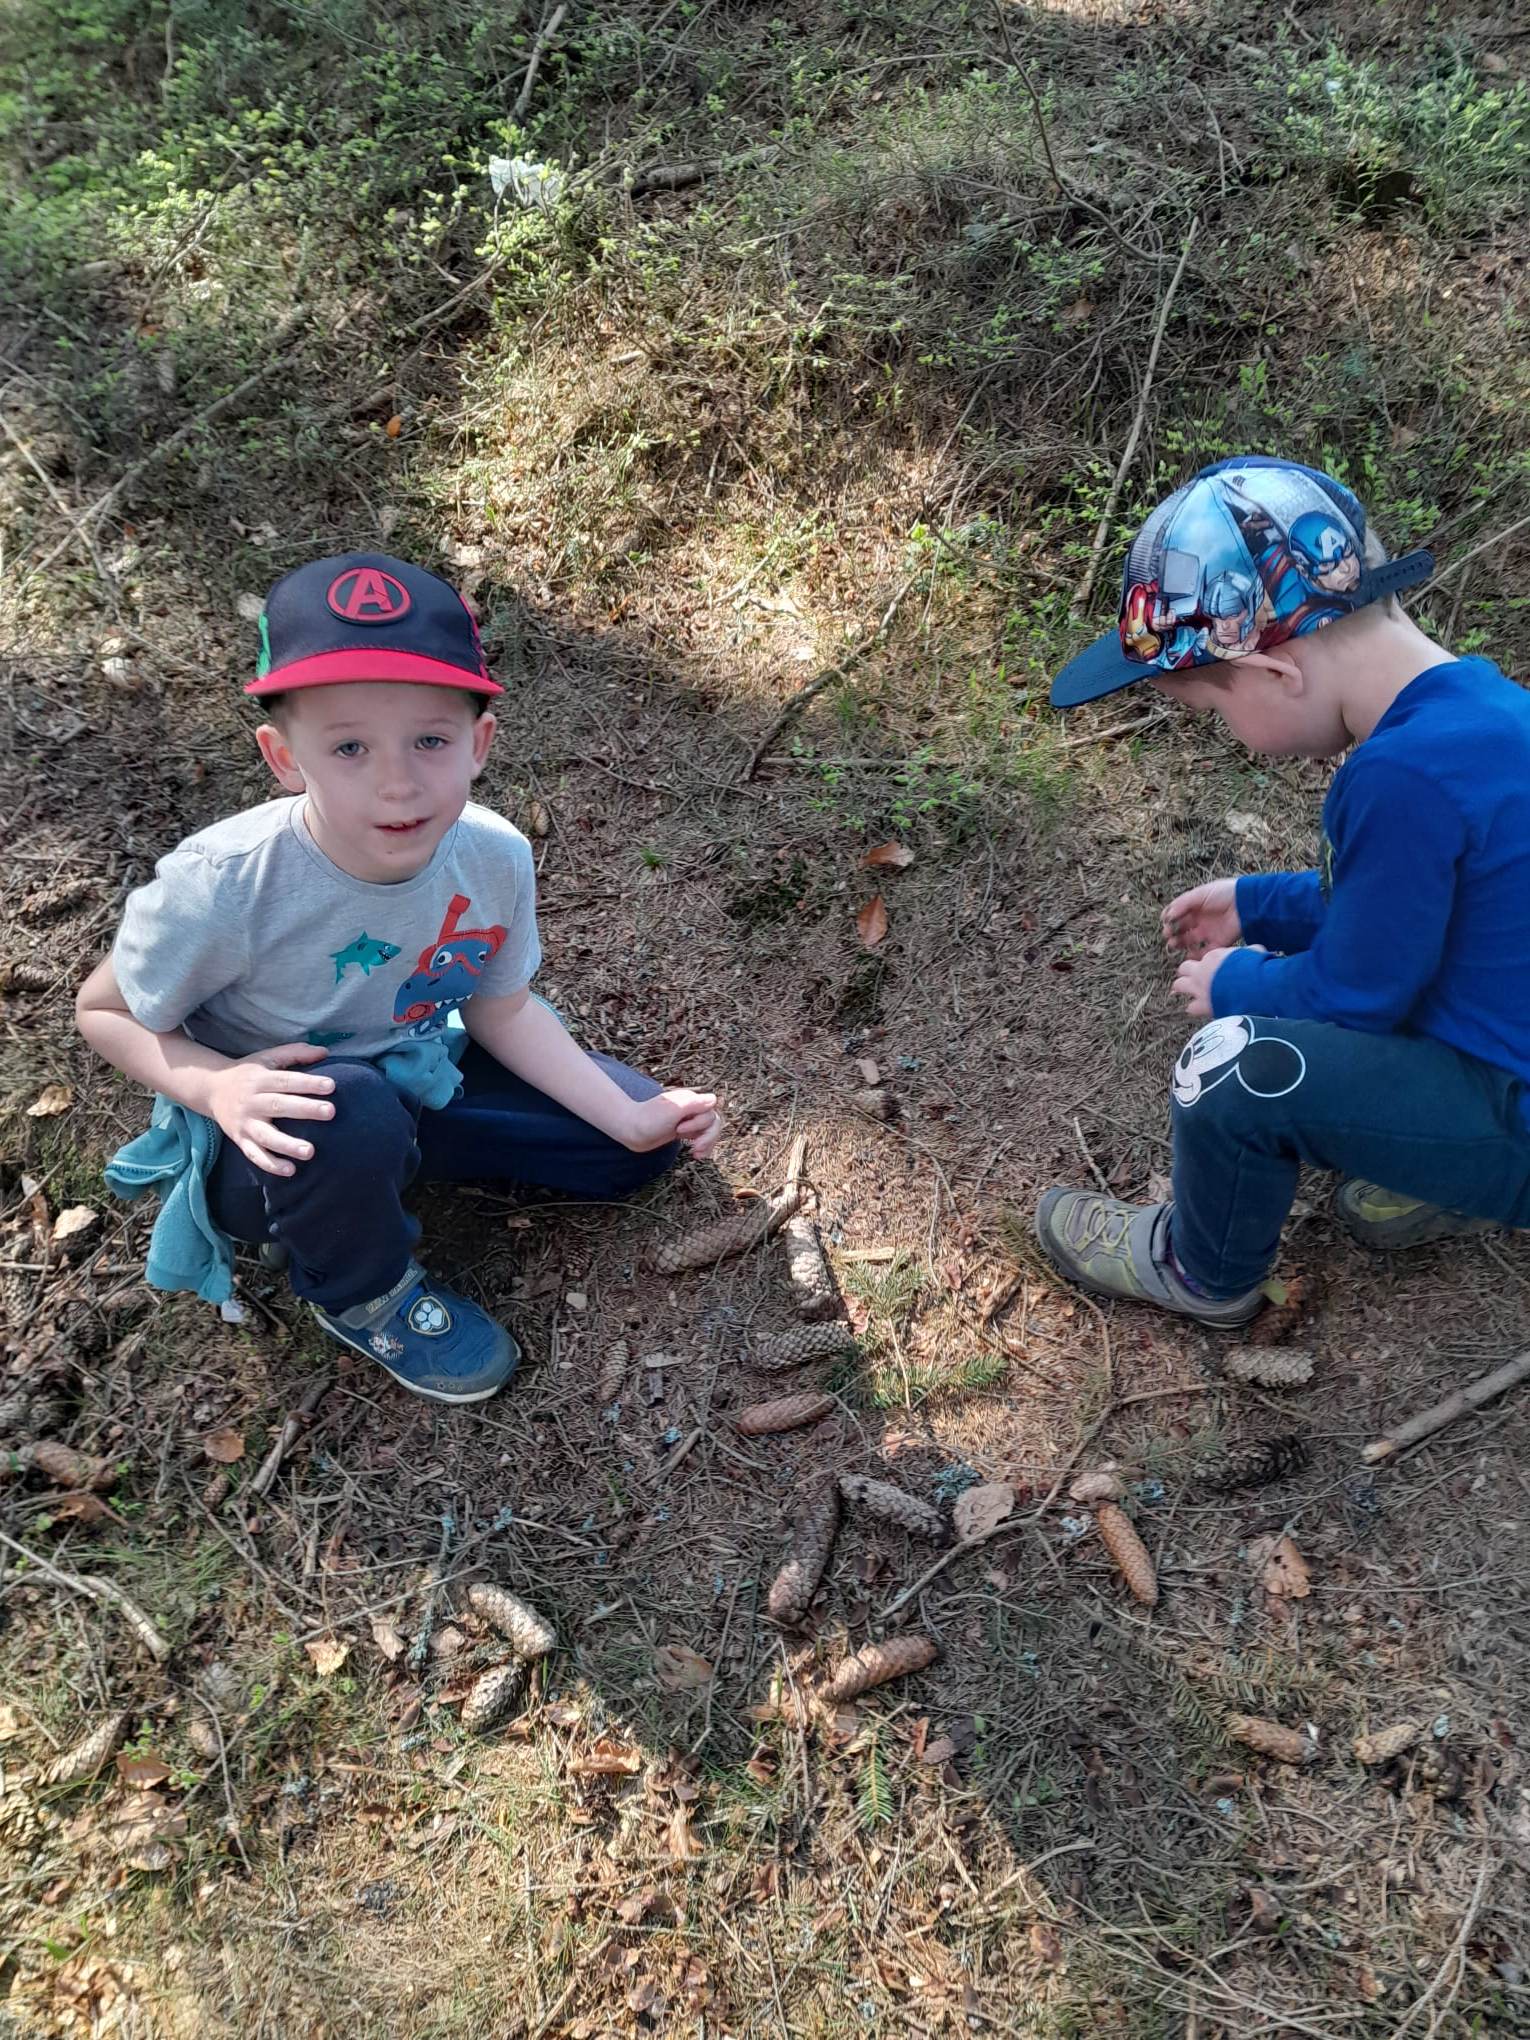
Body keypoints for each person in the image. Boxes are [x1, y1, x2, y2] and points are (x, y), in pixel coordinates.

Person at [76, 553, 722, 1401]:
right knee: (349, 1110)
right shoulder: (223, 883)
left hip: (420, 1071)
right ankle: (361, 1288)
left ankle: (391, 1169)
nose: (398, 782)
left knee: (631, 1149)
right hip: (279, 1131)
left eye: (430, 740)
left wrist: (630, 1117)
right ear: (284, 757)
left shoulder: (493, 854)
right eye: (349, 747)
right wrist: (216, 1088)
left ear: (478, 744)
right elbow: (104, 1010)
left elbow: (500, 1009)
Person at [1032, 455, 1530, 1326]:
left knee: (1228, 1072)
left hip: (1513, 1109)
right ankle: (1438, 1169)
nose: (1228, 731)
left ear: (1276, 674)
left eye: (1215, 712)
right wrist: (1257, 902)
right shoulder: (1489, 714)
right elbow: (1400, 908)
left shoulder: (1396, 778)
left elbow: (1357, 994)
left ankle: (1203, 1270)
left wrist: (1239, 982)